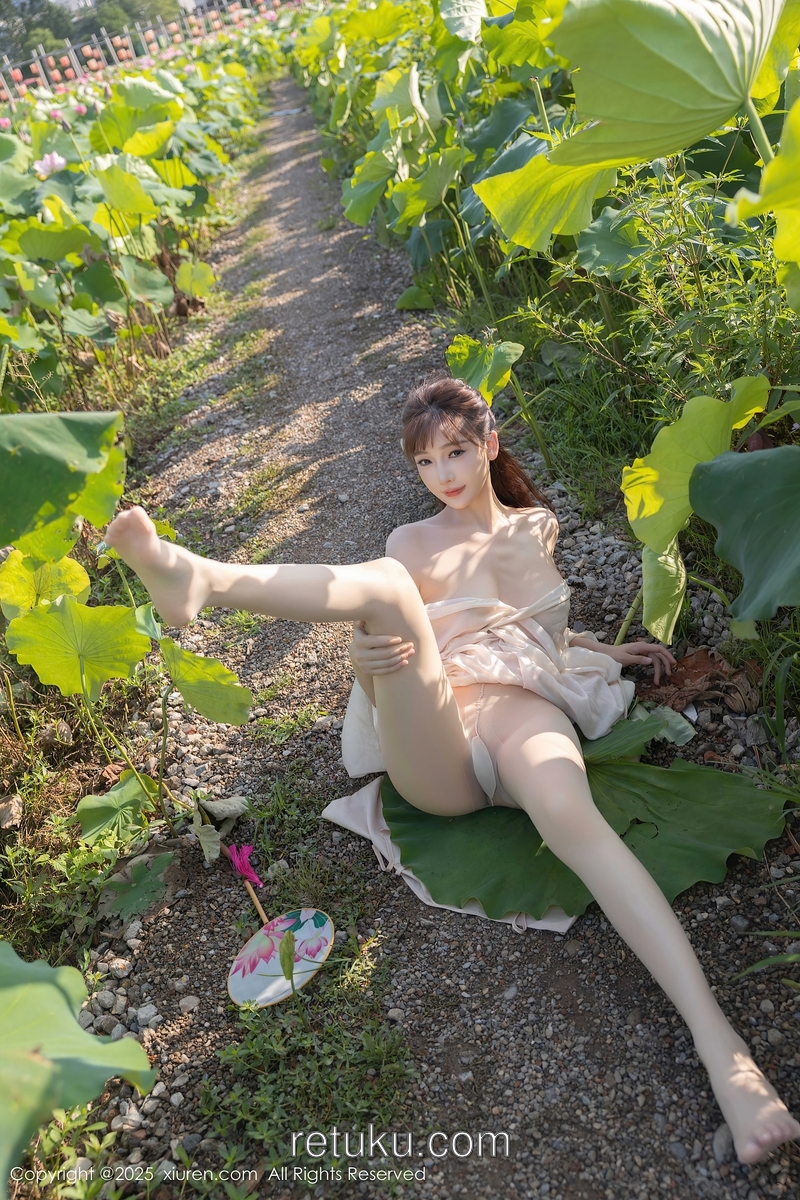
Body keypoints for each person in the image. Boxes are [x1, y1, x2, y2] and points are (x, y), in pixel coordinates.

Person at [105, 375, 799, 1165]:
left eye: (458, 452)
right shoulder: (410, 544)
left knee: (579, 826)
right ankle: (200, 577)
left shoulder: (537, 526)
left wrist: (606, 650)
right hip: (439, 735)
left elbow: (538, 632)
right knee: (387, 592)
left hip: (527, 716)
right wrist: (364, 664)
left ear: (490, 443)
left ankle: (725, 1052)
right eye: (427, 462)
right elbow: (391, 674)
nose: (445, 474)